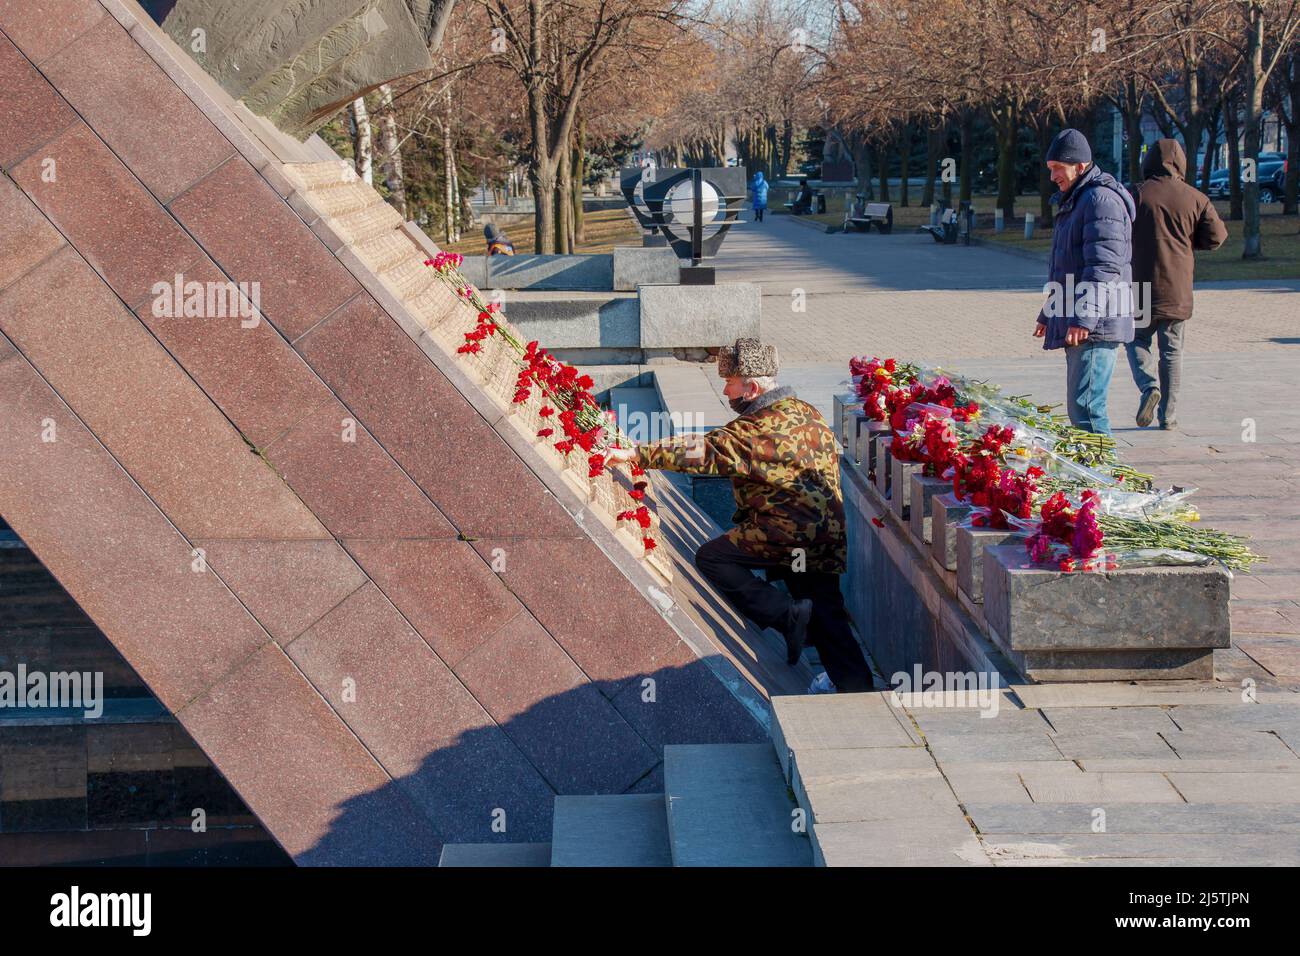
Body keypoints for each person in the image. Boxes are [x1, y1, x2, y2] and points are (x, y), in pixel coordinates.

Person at [607, 338, 875, 694]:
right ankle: (855, 686)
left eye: (730, 381)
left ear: (751, 386)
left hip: (788, 534)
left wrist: (637, 454)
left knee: (713, 558)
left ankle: (788, 617)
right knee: (826, 611)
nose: (725, 389)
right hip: (825, 534)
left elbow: (705, 449)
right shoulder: (803, 410)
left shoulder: (754, 431)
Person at [1034, 128, 1135, 437]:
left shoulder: (1099, 200)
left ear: (1079, 166)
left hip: (1096, 323)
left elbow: (1103, 267)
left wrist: (1084, 318)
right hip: (1085, 319)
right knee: (1081, 408)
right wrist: (1049, 313)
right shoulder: (1079, 199)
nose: (1052, 176)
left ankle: (1108, 481)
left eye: (1056, 169)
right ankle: (1094, 479)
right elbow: (1067, 266)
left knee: (1087, 409)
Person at [1127, 138, 1227, 430]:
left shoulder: (1136, 194)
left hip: (1140, 285)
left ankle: (1148, 387)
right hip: (1177, 287)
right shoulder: (1195, 198)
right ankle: (1168, 417)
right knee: (1171, 351)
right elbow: (1216, 238)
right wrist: (1188, 240)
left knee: (1135, 339)